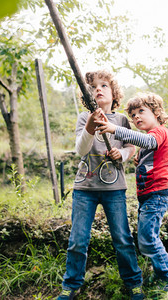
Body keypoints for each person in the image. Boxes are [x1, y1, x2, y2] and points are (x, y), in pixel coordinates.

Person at [58, 70, 144, 300]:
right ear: (87, 96)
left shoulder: (121, 121)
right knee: (78, 240)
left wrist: (122, 155)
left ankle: (134, 283)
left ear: (114, 93)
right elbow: (81, 150)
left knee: (122, 238)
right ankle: (71, 285)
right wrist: (89, 126)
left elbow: (131, 147)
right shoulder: (83, 118)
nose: (98, 89)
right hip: (84, 189)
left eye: (104, 85)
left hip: (114, 188)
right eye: (93, 87)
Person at [94, 92, 168, 295]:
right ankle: (162, 272)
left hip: (157, 194)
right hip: (147, 196)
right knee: (146, 238)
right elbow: (148, 152)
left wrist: (115, 129)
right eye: (133, 115)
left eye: (141, 111)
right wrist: (135, 160)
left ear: (157, 113)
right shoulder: (147, 142)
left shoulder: (159, 132)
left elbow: (147, 142)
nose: (136, 117)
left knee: (147, 239)